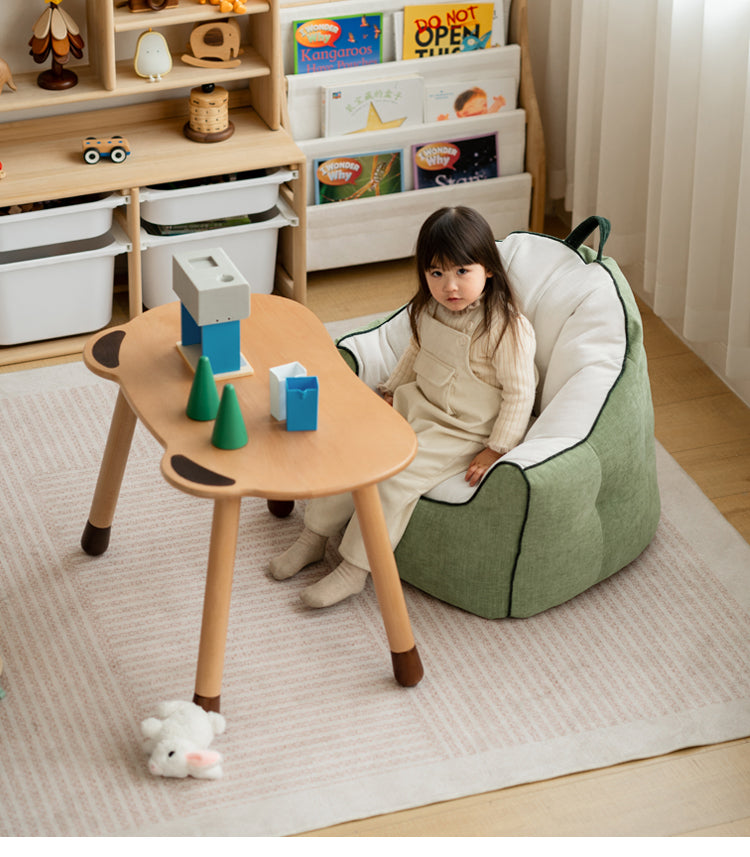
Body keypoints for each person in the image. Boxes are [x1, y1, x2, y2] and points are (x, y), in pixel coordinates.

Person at [269, 206, 537, 608]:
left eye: (463, 271)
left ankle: (355, 568)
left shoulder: (506, 327)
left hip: (460, 431)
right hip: (417, 404)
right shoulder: (427, 309)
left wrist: (496, 447)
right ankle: (314, 537)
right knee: (352, 450)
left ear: (489, 270)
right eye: (437, 273)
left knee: (392, 481)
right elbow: (415, 353)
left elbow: (520, 392)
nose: (450, 286)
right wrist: (391, 390)